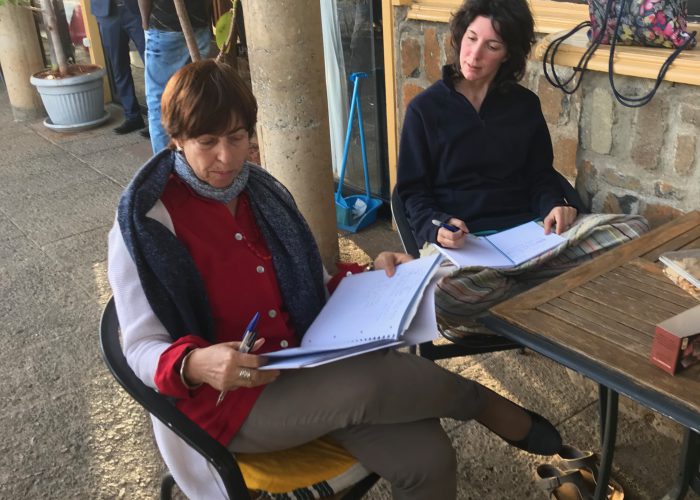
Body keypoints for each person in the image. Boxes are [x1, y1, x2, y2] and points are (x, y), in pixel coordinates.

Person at [108, 59, 563, 499]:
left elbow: (315, 282)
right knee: (373, 382)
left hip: (310, 362)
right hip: (233, 399)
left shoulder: (262, 193)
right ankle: (482, 404)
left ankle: (478, 406)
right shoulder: (147, 223)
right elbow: (140, 348)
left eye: (237, 137)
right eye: (207, 142)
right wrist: (195, 364)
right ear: (177, 139)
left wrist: (375, 274)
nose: (226, 157)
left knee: (428, 459)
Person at [396, 0, 649, 331]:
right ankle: (540, 298)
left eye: (492, 46)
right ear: (460, 36)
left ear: (507, 54)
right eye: (471, 38)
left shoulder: (524, 105)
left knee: (635, 232)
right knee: (437, 295)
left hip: (531, 237)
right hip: (468, 249)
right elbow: (413, 193)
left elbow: (540, 175)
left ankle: (512, 299)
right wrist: (437, 227)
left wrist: (554, 204)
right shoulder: (424, 110)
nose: (474, 55)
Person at [137, 0, 212, 152]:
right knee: (195, 97)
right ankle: (196, 156)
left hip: (165, 28)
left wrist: (145, 25)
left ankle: (165, 161)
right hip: (199, 25)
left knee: (159, 102)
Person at [91, 0, 146, 134]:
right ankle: (133, 117)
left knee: (152, 66)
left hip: (137, 9)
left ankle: (161, 120)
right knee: (119, 67)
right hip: (107, 13)